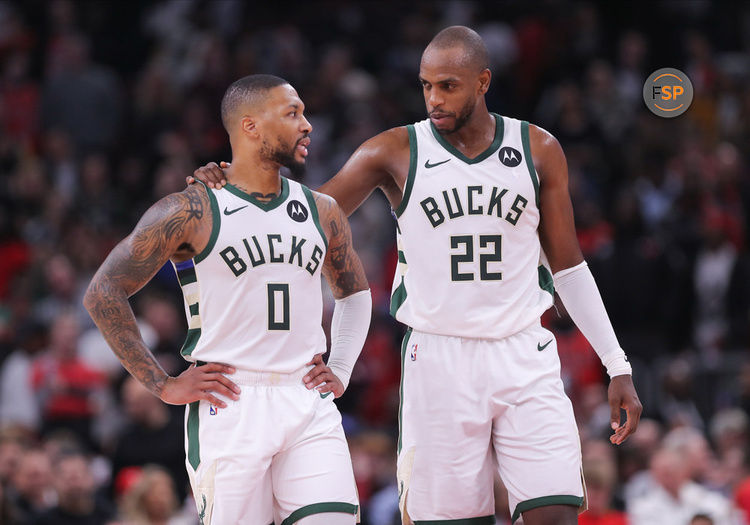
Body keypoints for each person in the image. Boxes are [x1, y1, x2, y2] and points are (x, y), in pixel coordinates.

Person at [192, 26, 642, 525]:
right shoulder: (393, 151)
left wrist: (615, 362)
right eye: (426, 85)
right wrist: (230, 184)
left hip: (524, 350)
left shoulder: (537, 148)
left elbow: (569, 267)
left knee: (555, 512)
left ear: (482, 82)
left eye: (448, 85)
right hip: (439, 356)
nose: (434, 98)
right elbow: (300, 219)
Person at [84, 74, 372, 524]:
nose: (307, 124)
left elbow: (354, 292)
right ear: (251, 126)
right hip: (231, 402)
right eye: (292, 113)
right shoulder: (190, 209)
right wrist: (162, 384)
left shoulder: (322, 210)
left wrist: (341, 367)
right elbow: (102, 292)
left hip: (306, 399)